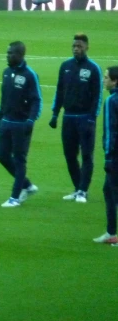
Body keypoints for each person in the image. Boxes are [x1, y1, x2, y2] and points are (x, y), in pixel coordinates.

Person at [50, 33, 102, 203]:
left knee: (87, 155)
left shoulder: (93, 68)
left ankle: (83, 191)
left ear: (87, 47)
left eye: (79, 46)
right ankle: (77, 187)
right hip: (68, 117)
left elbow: (97, 96)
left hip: (85, 117)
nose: (76, 49)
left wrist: (92, 117)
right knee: (70, 155)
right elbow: (59, 91)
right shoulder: (65, 66)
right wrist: (55, 114)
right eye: (74, 46)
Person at [0, 41, 42, 208]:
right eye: (7, 53)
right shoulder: (6, 72)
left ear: (20, 55)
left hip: (21, 124)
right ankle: (27, 185)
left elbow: (37, 100)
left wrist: (31, 120)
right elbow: (3, 98)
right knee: (2, 156)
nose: (8, 56)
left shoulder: (30, 75)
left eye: (11, 54)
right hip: (6, 121)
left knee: (19, 160)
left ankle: (15, 197)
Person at [94, 66, 118, 245]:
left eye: (106, 77)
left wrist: (109, 157)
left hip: (115, 157)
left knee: (113, 192)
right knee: (108, 190)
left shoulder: (112, 101)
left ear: (115, 81)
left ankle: (114, 235)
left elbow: (110, 131)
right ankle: (111, 232)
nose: (104, 80)